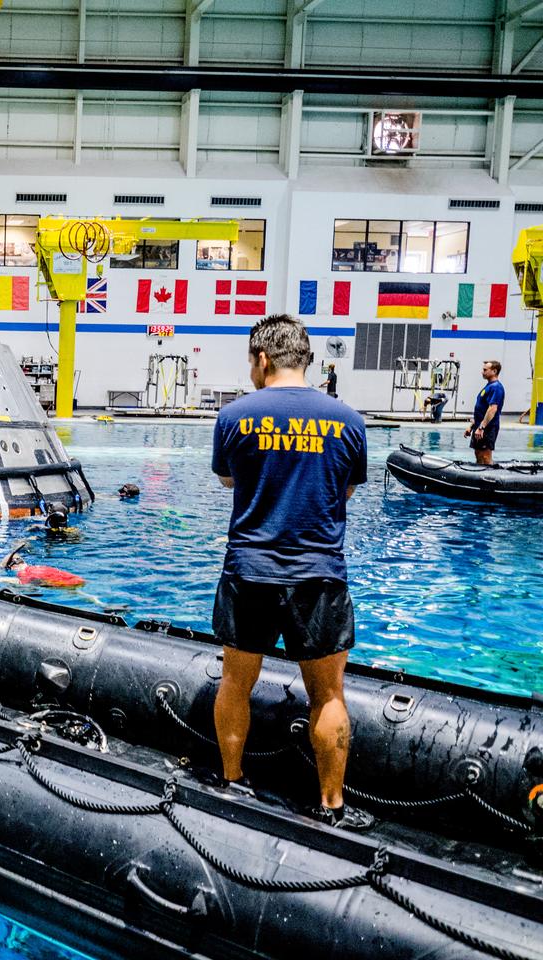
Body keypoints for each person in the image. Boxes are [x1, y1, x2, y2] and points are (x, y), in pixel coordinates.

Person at [211, 314, 372, 830]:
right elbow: (345, 491)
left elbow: (227, 481)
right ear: (306, 359)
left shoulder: (235, 416)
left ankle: (232, 783)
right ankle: (331, 806)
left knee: (236, 683)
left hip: (250, 568)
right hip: (318, 574)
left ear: (261, 359)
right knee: (327, 695)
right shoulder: (349, 421)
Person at [465, 361, 505, 466]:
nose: (482, 372)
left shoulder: (496, 387)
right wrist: (472, 426)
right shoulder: (489, 386)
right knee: (478, 453)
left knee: (486, 455)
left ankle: (489, 479)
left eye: (485, 370)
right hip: (479, 427)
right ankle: (478, 477)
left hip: (488, 427)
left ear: (494, 371)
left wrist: (482, 428)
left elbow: (492, 409)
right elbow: (481, 409)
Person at [0, 541, 85, 588]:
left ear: (13, 567)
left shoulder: (23, 573)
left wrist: (5, 580)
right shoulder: (37, 567)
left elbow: (30, 588)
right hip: (78, 580)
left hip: (69, 585)